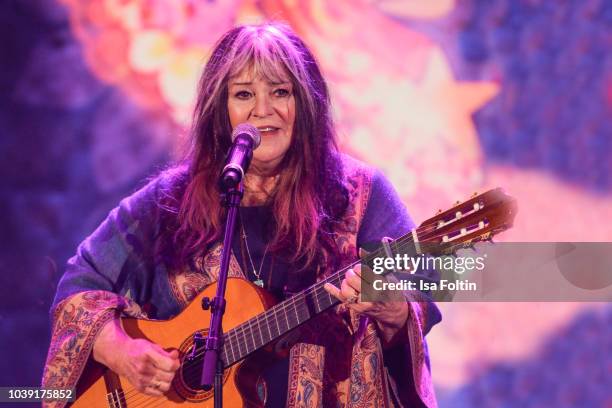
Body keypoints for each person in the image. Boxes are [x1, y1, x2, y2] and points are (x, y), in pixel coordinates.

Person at [42, 22, 441, 407]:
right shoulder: (170, 201)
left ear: (305, 104)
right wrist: (120, 350)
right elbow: (81, 280)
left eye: (280, 92)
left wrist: (394, 309)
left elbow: (431, 287)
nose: (262, 111)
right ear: (221, 110)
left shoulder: (360, 193)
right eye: (244, 95)